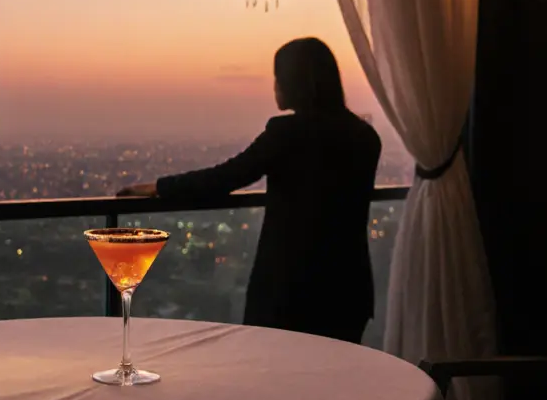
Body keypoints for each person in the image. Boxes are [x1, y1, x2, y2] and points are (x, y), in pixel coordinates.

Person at [117, 37, 381, 343]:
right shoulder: (366, 137)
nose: (275, 86)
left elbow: (226, 177)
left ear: (293, 82)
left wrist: (158, 187)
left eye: (278, 77)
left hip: (290, 288)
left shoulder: (286, 133)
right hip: (348, 288)